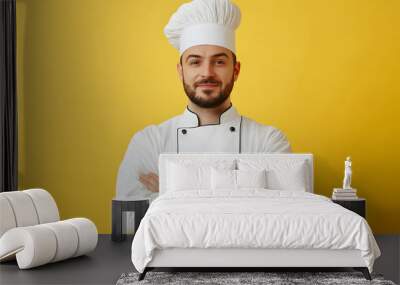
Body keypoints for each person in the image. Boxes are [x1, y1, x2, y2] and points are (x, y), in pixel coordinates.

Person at [116, 0, 291, 201]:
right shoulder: (148, 143)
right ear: (181, 71)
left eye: (219, 62)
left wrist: (168, 191)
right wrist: (245, 188)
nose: (207, 73)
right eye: (195, 62)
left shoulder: (269, 142)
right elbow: (131, 219)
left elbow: (279, 212)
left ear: (236, 71)